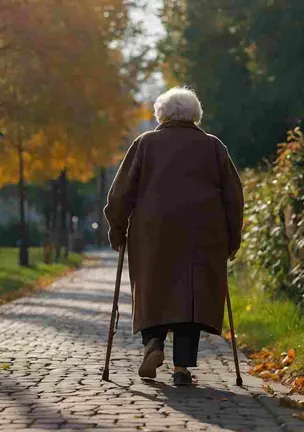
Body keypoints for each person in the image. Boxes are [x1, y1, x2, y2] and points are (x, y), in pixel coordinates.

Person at [104, 86, 244, 386]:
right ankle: (181, 368)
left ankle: (153, 344)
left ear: (161, 114)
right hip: (203, 232)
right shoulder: (213, 146)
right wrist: (233, 238)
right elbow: (234, 197)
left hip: (152, 231)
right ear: (196, 115)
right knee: (190, 296)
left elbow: (120, 193)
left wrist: (117, 228)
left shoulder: (145, 143)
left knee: (153, 287)